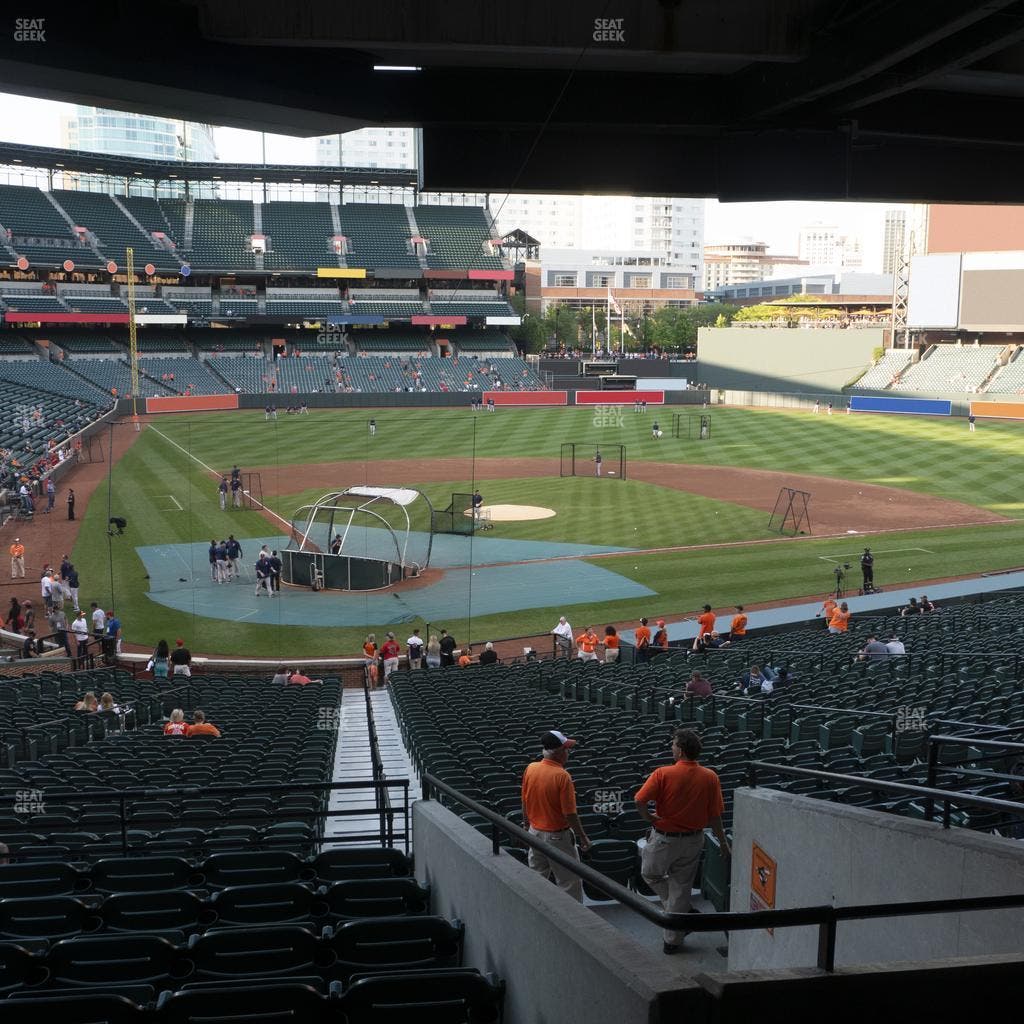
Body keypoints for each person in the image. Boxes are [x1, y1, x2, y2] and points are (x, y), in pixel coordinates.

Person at [635, 728, 729, 954]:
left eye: (674, 744)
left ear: (681, 750)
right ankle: (677, 926)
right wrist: (723, 842)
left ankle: (678, 922)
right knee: (681, 887)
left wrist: (650, 818)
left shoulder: (662, 773)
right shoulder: (710, 776)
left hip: (664, 840)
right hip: (694, 840)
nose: (671, 747)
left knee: (650, 874)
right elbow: (715, 816)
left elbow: (639, 800)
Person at [521, 730, 591, 902]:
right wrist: (582, 836)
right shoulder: (562, 776)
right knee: (569, 882)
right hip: (558, 837)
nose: (568, 752)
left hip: (534, 833)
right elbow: (569, 814)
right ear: (558, 752)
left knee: (537, 879)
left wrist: (526, 824)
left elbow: (524, 800)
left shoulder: (531, 768)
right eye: (566, 749)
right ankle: (572, 917)